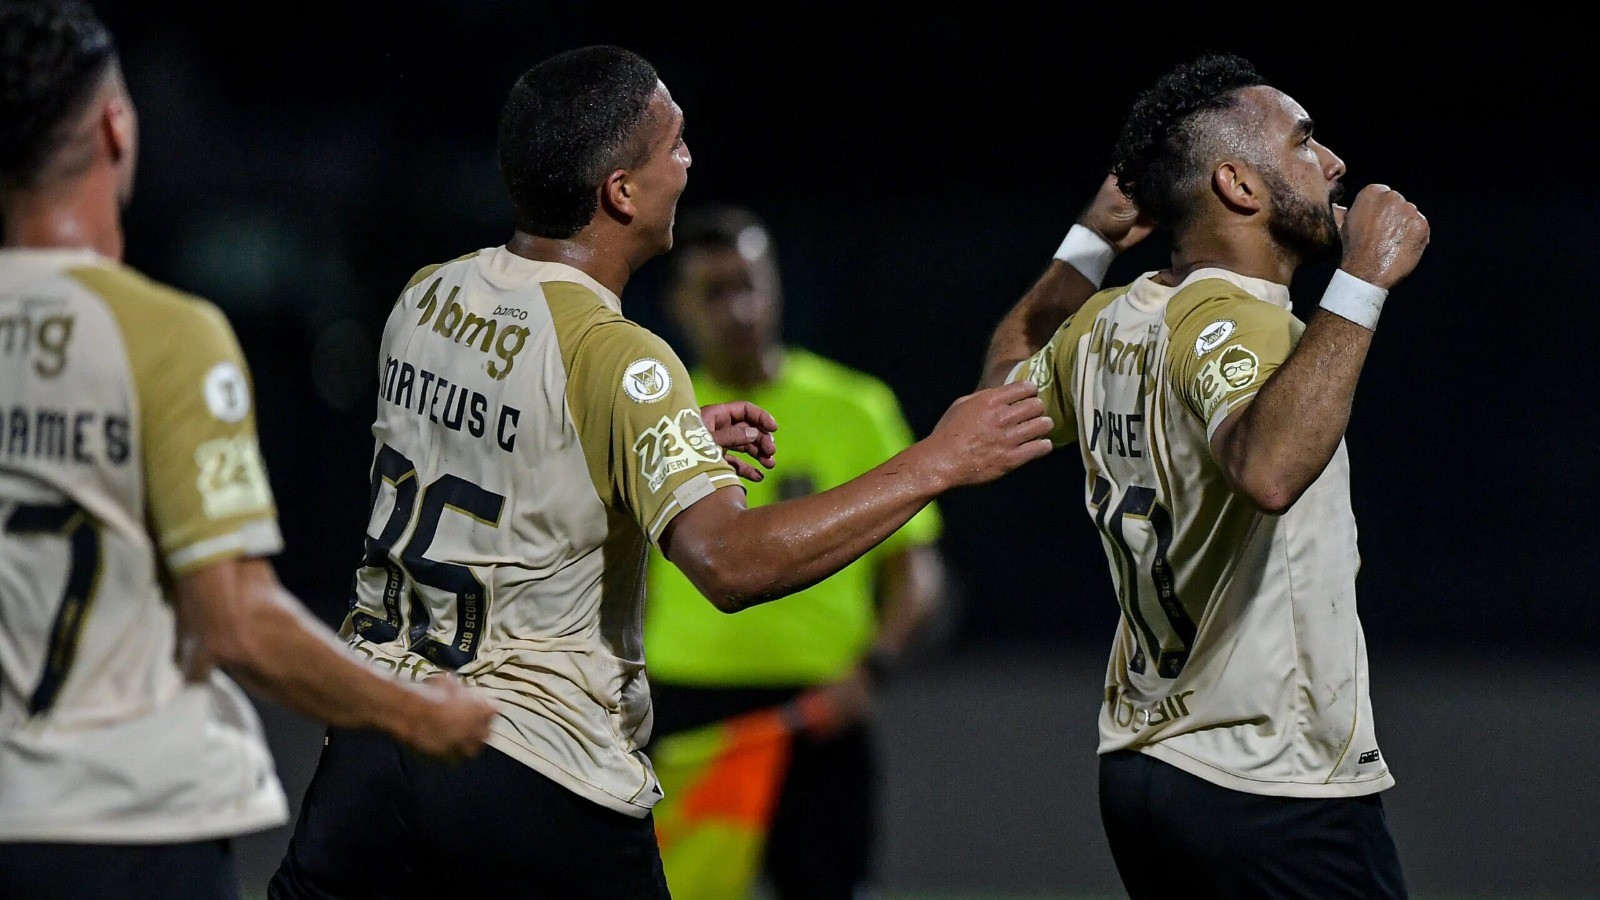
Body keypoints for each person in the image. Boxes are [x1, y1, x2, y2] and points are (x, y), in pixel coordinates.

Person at [267, 44, 1052, 900]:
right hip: (535, 763)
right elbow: (727, 562)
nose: (689, 160)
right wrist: (936, 461)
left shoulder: (427, 296)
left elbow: (495, 450)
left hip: (375, 745)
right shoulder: (623, 357)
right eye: (673, 144)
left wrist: (656, 441)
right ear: (620, 193)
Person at [0, 3, 500, 899]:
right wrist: (421, 713)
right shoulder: (164, 337)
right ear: (116, 127)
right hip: (128, 830)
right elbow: (234, 619)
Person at [980, 52, 1429, 898]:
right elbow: (1268, 469)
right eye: (1304, 142)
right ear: (1239, 185)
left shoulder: (1111, 317)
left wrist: (1088, 241)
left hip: (1145, 769)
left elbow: (994, 398)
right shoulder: (1236, 318)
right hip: (1268, 776)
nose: (1333, 162)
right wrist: (1363, 282)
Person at [642, 204, 949, 900]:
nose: (740, 308)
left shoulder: (857, 407)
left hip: (821, 714)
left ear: (777, 285)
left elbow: (917, 572)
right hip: (691, 712)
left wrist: (870, 672)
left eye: (751, 283)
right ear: (679, 306)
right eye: (715, 292)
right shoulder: (659, 416)